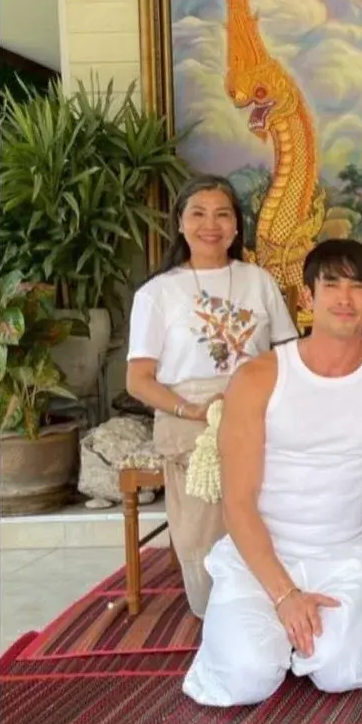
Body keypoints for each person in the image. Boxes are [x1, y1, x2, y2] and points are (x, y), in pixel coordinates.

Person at [181, 240, 362, 706]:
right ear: (308, 297)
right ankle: (269, 634)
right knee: (246, 678)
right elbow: (237, 502)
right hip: (260, 557)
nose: (344, 298)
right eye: (331, 285)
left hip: (342, 555)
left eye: (357, 287)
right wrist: (285, 595)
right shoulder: (259, 378)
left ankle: (361, 622)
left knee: (339, 671)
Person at [126, 174, 299, 617]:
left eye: (222, 214)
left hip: (257, 411)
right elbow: (138, 380)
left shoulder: (259, 281)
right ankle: (218, 607)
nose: (211, 224)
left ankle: (277, 594)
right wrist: (193, 410)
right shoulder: (157, 293)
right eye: (198, 214)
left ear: (237, 226)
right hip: (189, 419)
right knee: (208, 514)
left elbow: (287, 356)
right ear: (180, 223)